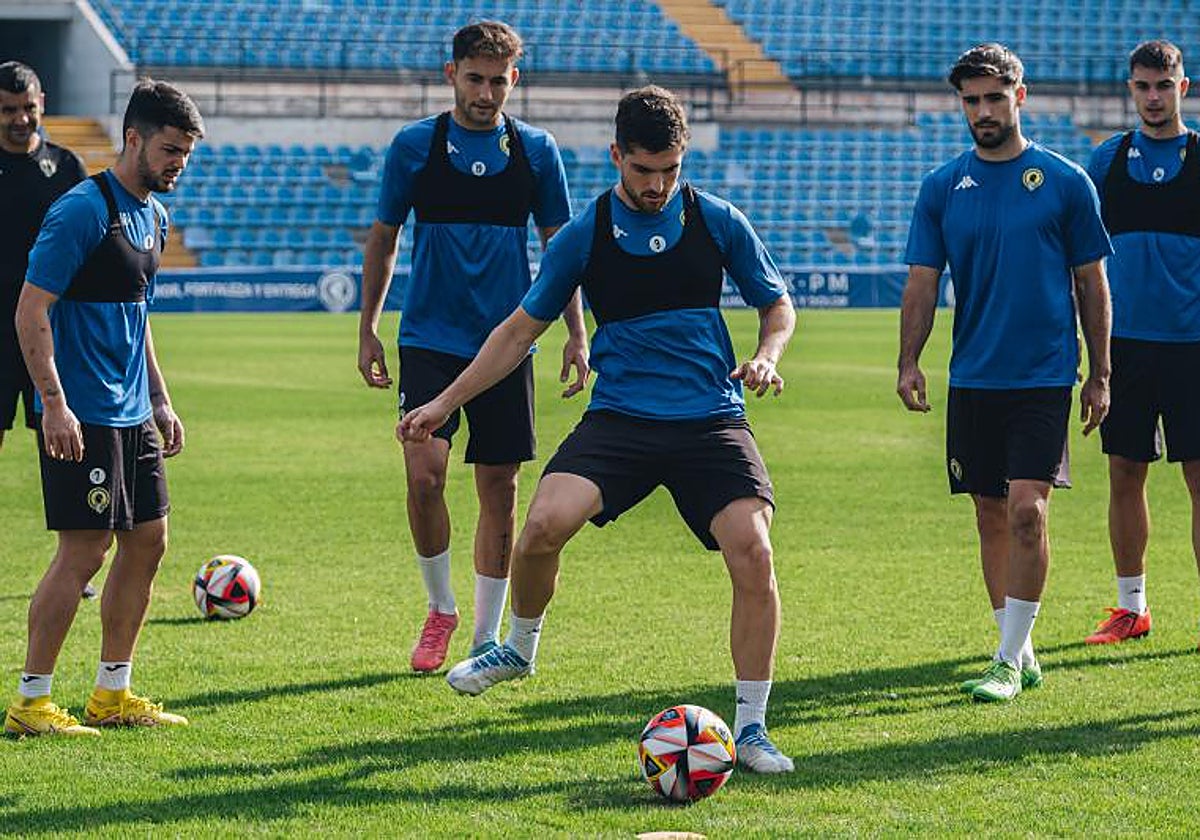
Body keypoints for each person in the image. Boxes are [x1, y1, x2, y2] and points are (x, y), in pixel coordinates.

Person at [401, 86, 798, 773]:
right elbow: (520, 330)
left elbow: (777, 306)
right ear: (617, 156)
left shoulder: (718, 220)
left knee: (753, 550)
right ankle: (520, 648)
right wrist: (443, 403)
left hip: (709, 416)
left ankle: (754, 728)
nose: (657, 185)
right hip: (621, 418)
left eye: (670, 170)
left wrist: (766, 355)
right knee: (541, 527)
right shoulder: (585, 233)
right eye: (643, 170)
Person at [357, 20, 588, 674]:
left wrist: (575, 331)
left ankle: (485, 635)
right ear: (451, 73)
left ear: (514, 79)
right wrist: (368, 327)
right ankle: (441, 608)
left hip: (508, 343)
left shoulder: (537, 151)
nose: (486, 93)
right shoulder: (415, 147)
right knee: (424, 475)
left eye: (498, 80)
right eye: (475, 78)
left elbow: (561, 250)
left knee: (499, 486)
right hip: (429, 336)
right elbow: (383, 239)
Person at [897, 44, 1113, 702]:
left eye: (995, 97)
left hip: (1043, 375)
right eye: (971, 100)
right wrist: (908, 360)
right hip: (975, 377)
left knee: (1027, 510)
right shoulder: (942, 187)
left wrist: (1100, 372)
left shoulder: (1066, 181)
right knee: (990, 513)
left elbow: (1092, 283)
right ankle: (1016, 648)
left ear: (1021, 97)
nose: (983, 110)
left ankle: (1008, 658)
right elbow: (922, 283)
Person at [4, 79, 203, 737]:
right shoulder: (81, 209)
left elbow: (137, 317)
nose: (178, 164)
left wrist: (161, 399)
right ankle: (32, 703)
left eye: (186, 154)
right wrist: (53, 404)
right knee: (83, 552)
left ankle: (111, 694)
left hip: (131, 413)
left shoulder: (156, 216)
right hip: (81, 411)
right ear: (134, 138)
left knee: (148, 541)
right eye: (170, 150)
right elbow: (31, 309)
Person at [1083, 40, 1200, 646]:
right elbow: (1080, 255)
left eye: (1164, 85)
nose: (1153, 97)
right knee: (1125, 472)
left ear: (1183, 86)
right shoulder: (1108, 160)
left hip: (1194, 347)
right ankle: (1133, 607)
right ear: (1130, 90)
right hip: (1126, 347)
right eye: (1142, 86)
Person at [0, 61, 87, 453]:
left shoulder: (68, 167)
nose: (21, 118)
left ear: (42, 104)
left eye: (28, 107)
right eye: (8, 110)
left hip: (52, 332)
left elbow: (91, 245)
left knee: (62, 445)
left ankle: (70, 518)